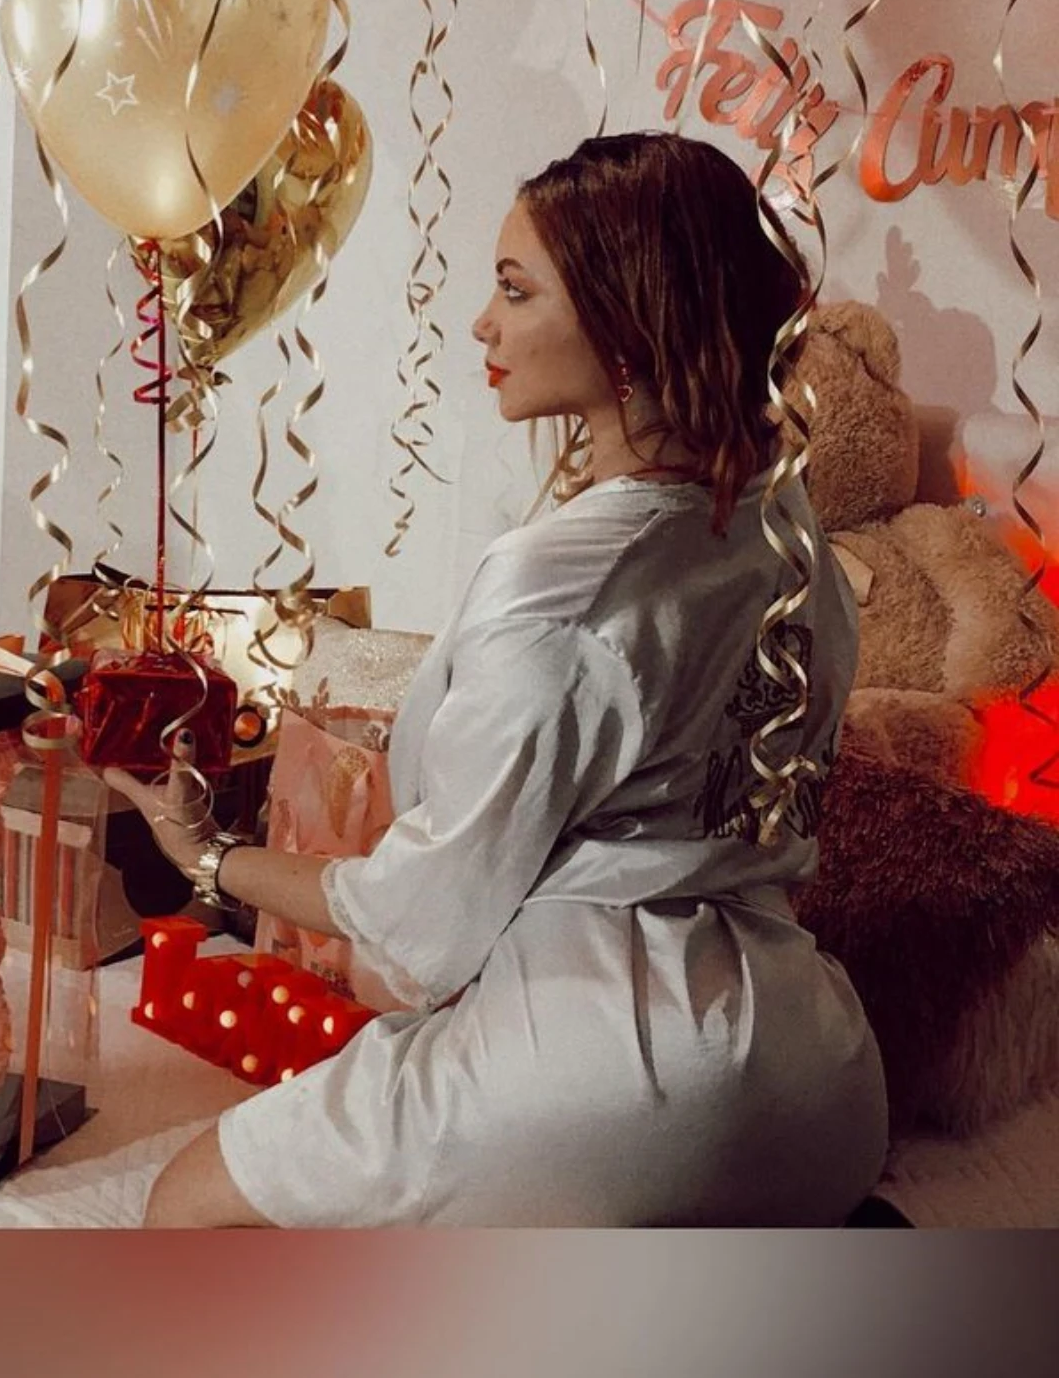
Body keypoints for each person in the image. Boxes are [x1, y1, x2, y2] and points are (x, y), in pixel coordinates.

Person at [108, 130, 889, 1228]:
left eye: (516, 291)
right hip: (820, 1084)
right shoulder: (789, 527)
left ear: (628, 327)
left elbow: (419, 930)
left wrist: (207, 853)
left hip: (612, 1083)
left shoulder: (557, 584)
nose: (482, 322)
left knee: (184, 1207)